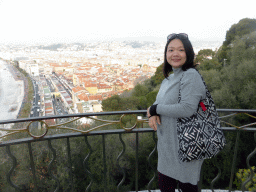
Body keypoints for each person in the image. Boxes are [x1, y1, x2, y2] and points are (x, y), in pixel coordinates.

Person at [147, 33, 206, 192]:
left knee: (187, 189)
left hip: (185, 148)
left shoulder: (191, 75)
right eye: (171, 50)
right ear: (166, 54)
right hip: (166, 149)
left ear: (188, 53)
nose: (175, 54)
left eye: (180, 50)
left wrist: (155, 109)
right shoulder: (168, 79)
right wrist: (152, 112)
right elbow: (158, 103)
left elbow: (187, 108)